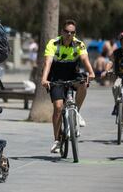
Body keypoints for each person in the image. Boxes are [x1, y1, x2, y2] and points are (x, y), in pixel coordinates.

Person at [41, 19, 95, 153]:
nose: (69, 35)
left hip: (72, 74)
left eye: (72, 32)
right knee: (58, 107)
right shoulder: (53, 43)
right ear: (62, 31)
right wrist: (44, 79)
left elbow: (84, 59)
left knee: (83, 83)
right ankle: (57, 140)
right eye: (66, 32)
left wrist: (92, 72)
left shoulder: (79, 44)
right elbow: (47, 63)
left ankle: (76, 113)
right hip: (56, 76)